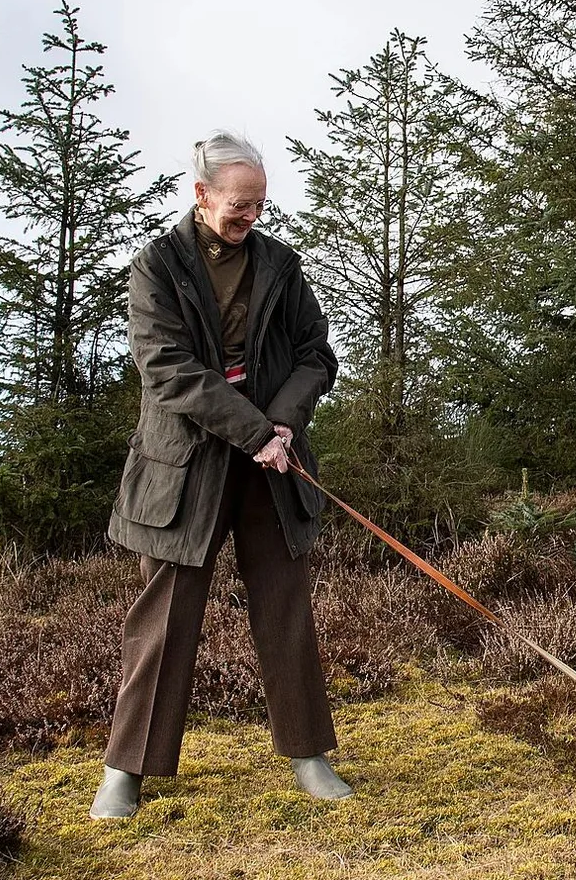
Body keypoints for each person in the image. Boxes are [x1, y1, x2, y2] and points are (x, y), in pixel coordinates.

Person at [90, 130, 350, 820]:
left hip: (274, 465)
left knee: (286, 607)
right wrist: (252, 430)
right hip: (183, 470)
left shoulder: (281, 265)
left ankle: (308, 755)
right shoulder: (155, 265)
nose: (252, 217)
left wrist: (284, 423)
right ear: (201, 195)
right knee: (164, 621)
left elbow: (315, 354)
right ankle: (126, 771)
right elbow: (167, 368)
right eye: (240, 204)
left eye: (261, 205)